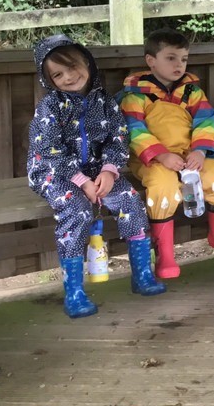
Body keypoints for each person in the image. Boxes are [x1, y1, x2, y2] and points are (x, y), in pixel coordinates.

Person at [26, 34, 165, 318]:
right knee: (76, 211)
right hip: (54, 171)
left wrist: (110, 171)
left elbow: (118, 138)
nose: (68, 76)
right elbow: (50, 151)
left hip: (98, 171)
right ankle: (74, 293)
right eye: (58, 74)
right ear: (48, 80)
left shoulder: (105, 102)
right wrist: (82, 182)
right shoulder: (50, 108)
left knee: (130, 200)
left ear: (87, 62)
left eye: (73, 66)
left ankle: (141, 275)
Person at [119, 28, 214, 279]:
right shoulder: (135, 95)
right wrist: (161, 155)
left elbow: (206, 122)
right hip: (154, 160)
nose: (179, 64)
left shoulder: (192, 92)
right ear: (151, 61)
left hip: (191, 156)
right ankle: (165, 253)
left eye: (184, 59)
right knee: (162, 187)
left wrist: (200, 152)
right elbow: (134, 130)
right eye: (171, 58)